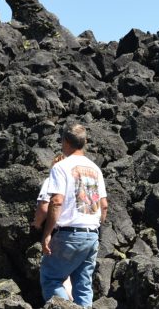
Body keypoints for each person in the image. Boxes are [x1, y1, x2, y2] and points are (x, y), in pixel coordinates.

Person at [40, 124, 108, 307]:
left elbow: (56, 202)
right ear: (84, 142)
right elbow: (104, 205)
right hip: (92, 234)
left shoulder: (60, 167)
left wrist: (47, 233)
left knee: (51, 278)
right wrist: (95, 228)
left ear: (65, 141)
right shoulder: (96, 169)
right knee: (83, 286)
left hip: (68, 234)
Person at [33, 154, 72, 300]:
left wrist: (37, 224)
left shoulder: (52, 181)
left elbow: (44, 207)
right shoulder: (75, 182)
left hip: (58, 233)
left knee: (53, 277)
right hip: (80, 233)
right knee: (69, 276)